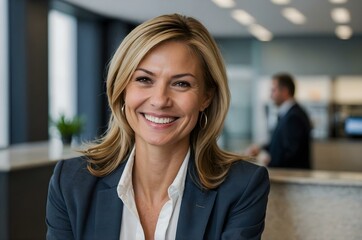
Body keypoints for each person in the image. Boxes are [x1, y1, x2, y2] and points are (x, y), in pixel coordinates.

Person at [46, 14, 270, 240]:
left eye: (181, 83)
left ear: (206, 97)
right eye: (144, 79)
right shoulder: (72, 182)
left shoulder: (241, 186)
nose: (160, 100)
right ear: (123, 88)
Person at [246, 73, 312, 169]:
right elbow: (280, 143)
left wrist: (270, 160)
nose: (270, 95)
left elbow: (291, 153)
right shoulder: (288, 113)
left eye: (273, 90)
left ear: (285, 91)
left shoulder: (294, 116)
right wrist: (260, 148)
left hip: (291, 177)